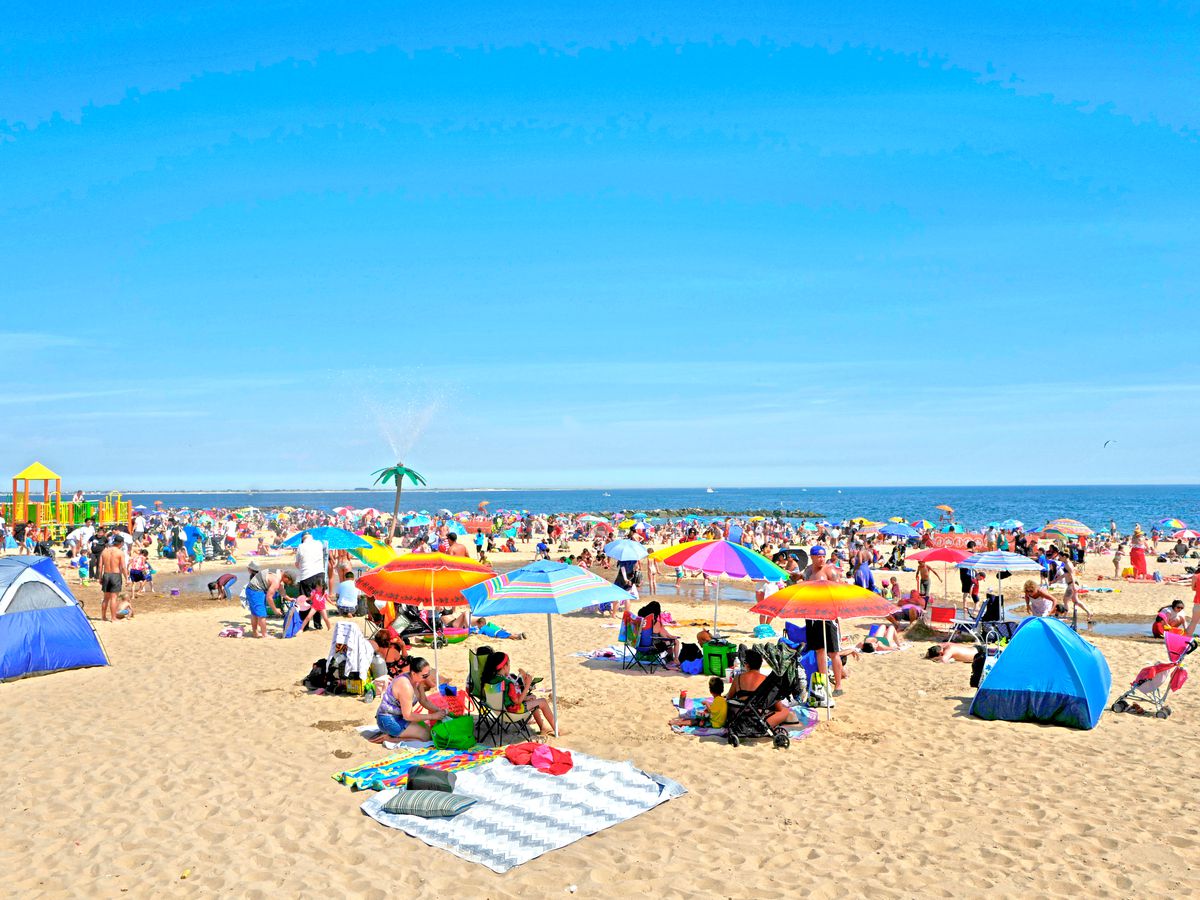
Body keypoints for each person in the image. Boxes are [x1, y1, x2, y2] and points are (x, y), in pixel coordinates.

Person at [370, 656, 446, 743]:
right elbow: (408, 716)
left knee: (430, 732)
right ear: (413, 673)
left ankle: (395, 734)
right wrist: (432, 716)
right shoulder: (405, 685)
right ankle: (390, 739)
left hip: (400, 716)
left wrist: (439, 711)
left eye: (428, 674)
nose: (427, 678)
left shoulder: (417, 680)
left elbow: (424, 701)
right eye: (424, 675)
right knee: (426, 737)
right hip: (388, 719)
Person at [802, 546, 845, 695]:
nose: (821, 559)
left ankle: (838, 685)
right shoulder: (808, 571)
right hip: (812, 615)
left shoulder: (830, 571)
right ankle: (824, 683)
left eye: (823, 556)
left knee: (833, 652)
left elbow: (838, 592)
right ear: (812, 557)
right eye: (818, 556)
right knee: (819, 650)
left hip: (828, 615)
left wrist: (836, 617)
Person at [480, 651, 557, 735]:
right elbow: (518, 702)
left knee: (532, 698)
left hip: (499, 711)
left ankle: (543, 728)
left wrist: (526, 697)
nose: (509, 666)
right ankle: (556, 730)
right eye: (509, 664)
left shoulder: (490, 680)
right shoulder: (507, 683)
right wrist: (527, 685)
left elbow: (506, 696)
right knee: (543, 702)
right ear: (504, 667)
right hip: (512, 712)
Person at [727, 648, 799, 729]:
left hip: (740, 716)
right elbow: (778, 707)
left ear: (746, 664)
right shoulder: (766, 680)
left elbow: (729, 697)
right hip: (758, 718)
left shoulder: (738, 678)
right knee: (785, 711)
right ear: (760, 664)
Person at [98, 536, 128, 622]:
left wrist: (100, 577)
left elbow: (100, 566)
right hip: (115, 575)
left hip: (106, 574)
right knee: (114, 598)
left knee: (106, 598)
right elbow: (123, 567)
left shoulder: (104, 551)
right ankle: (113, 618)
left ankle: (103, 617)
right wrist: (127, 578)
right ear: (121, 543)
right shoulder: (120, 552)